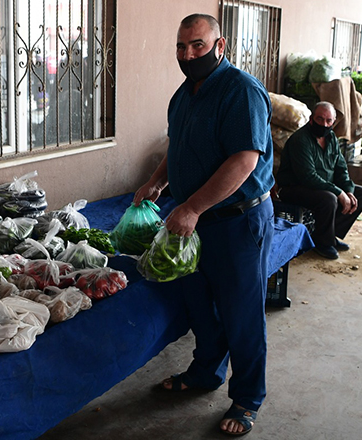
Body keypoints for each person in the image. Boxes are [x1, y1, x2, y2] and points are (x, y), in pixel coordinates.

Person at [132, 13, 274, 436]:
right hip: (193, 225)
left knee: (241, 315)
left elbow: (244, 161)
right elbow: (178, 146)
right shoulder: (184, 94)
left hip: (236, 222)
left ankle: (247, 398)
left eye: (197, 45)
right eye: (181, 46)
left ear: (220, 45)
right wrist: (157, 181)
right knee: (201, 307)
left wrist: (191, 207)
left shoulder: (240, 91)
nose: (188, 54)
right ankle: (205, 372)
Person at [275, 102, 362, 260]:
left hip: (323, 186)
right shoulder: (300, 140)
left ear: (333, 122)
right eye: (320, 119)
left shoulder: (331, 138)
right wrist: (339, 192)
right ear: (311, 119)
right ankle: (323, 243)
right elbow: (307, 177)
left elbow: (341, 168)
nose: (324, 124)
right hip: (294, 187)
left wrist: (347, 190)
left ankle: (331, 236)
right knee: (329, 198)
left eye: (328, 121)